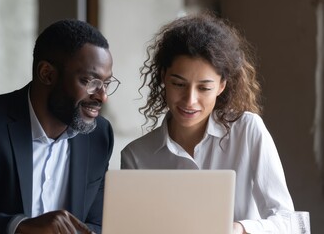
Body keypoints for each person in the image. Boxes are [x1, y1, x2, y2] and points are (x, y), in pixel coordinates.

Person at [0, 19, 119, 234]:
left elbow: (99, 224)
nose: (102, 96)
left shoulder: (99, 135)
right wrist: (21, 227)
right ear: (47, 73)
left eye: (106, 83)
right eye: (90, 81)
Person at [121, 13, 295, 234]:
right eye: (178, 84)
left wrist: (239, 229)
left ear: (222, 86)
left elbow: (288, 222)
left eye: (204, 88)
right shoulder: (135, 156)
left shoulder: (247, 130)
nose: (190, 100)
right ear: (164, 77)